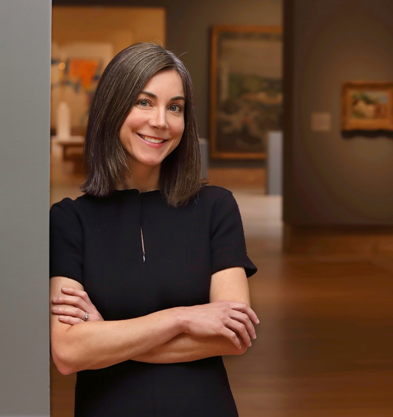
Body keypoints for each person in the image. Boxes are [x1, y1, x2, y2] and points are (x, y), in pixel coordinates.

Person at [49, 43, 259, 416]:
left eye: (174, 107)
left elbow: (233, 336)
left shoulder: (216, 207)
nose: (161, 121)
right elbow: (68, 352)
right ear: (113, 108)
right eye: (144, 102)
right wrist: (182, 317)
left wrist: (107, 337)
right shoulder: (69, 220)